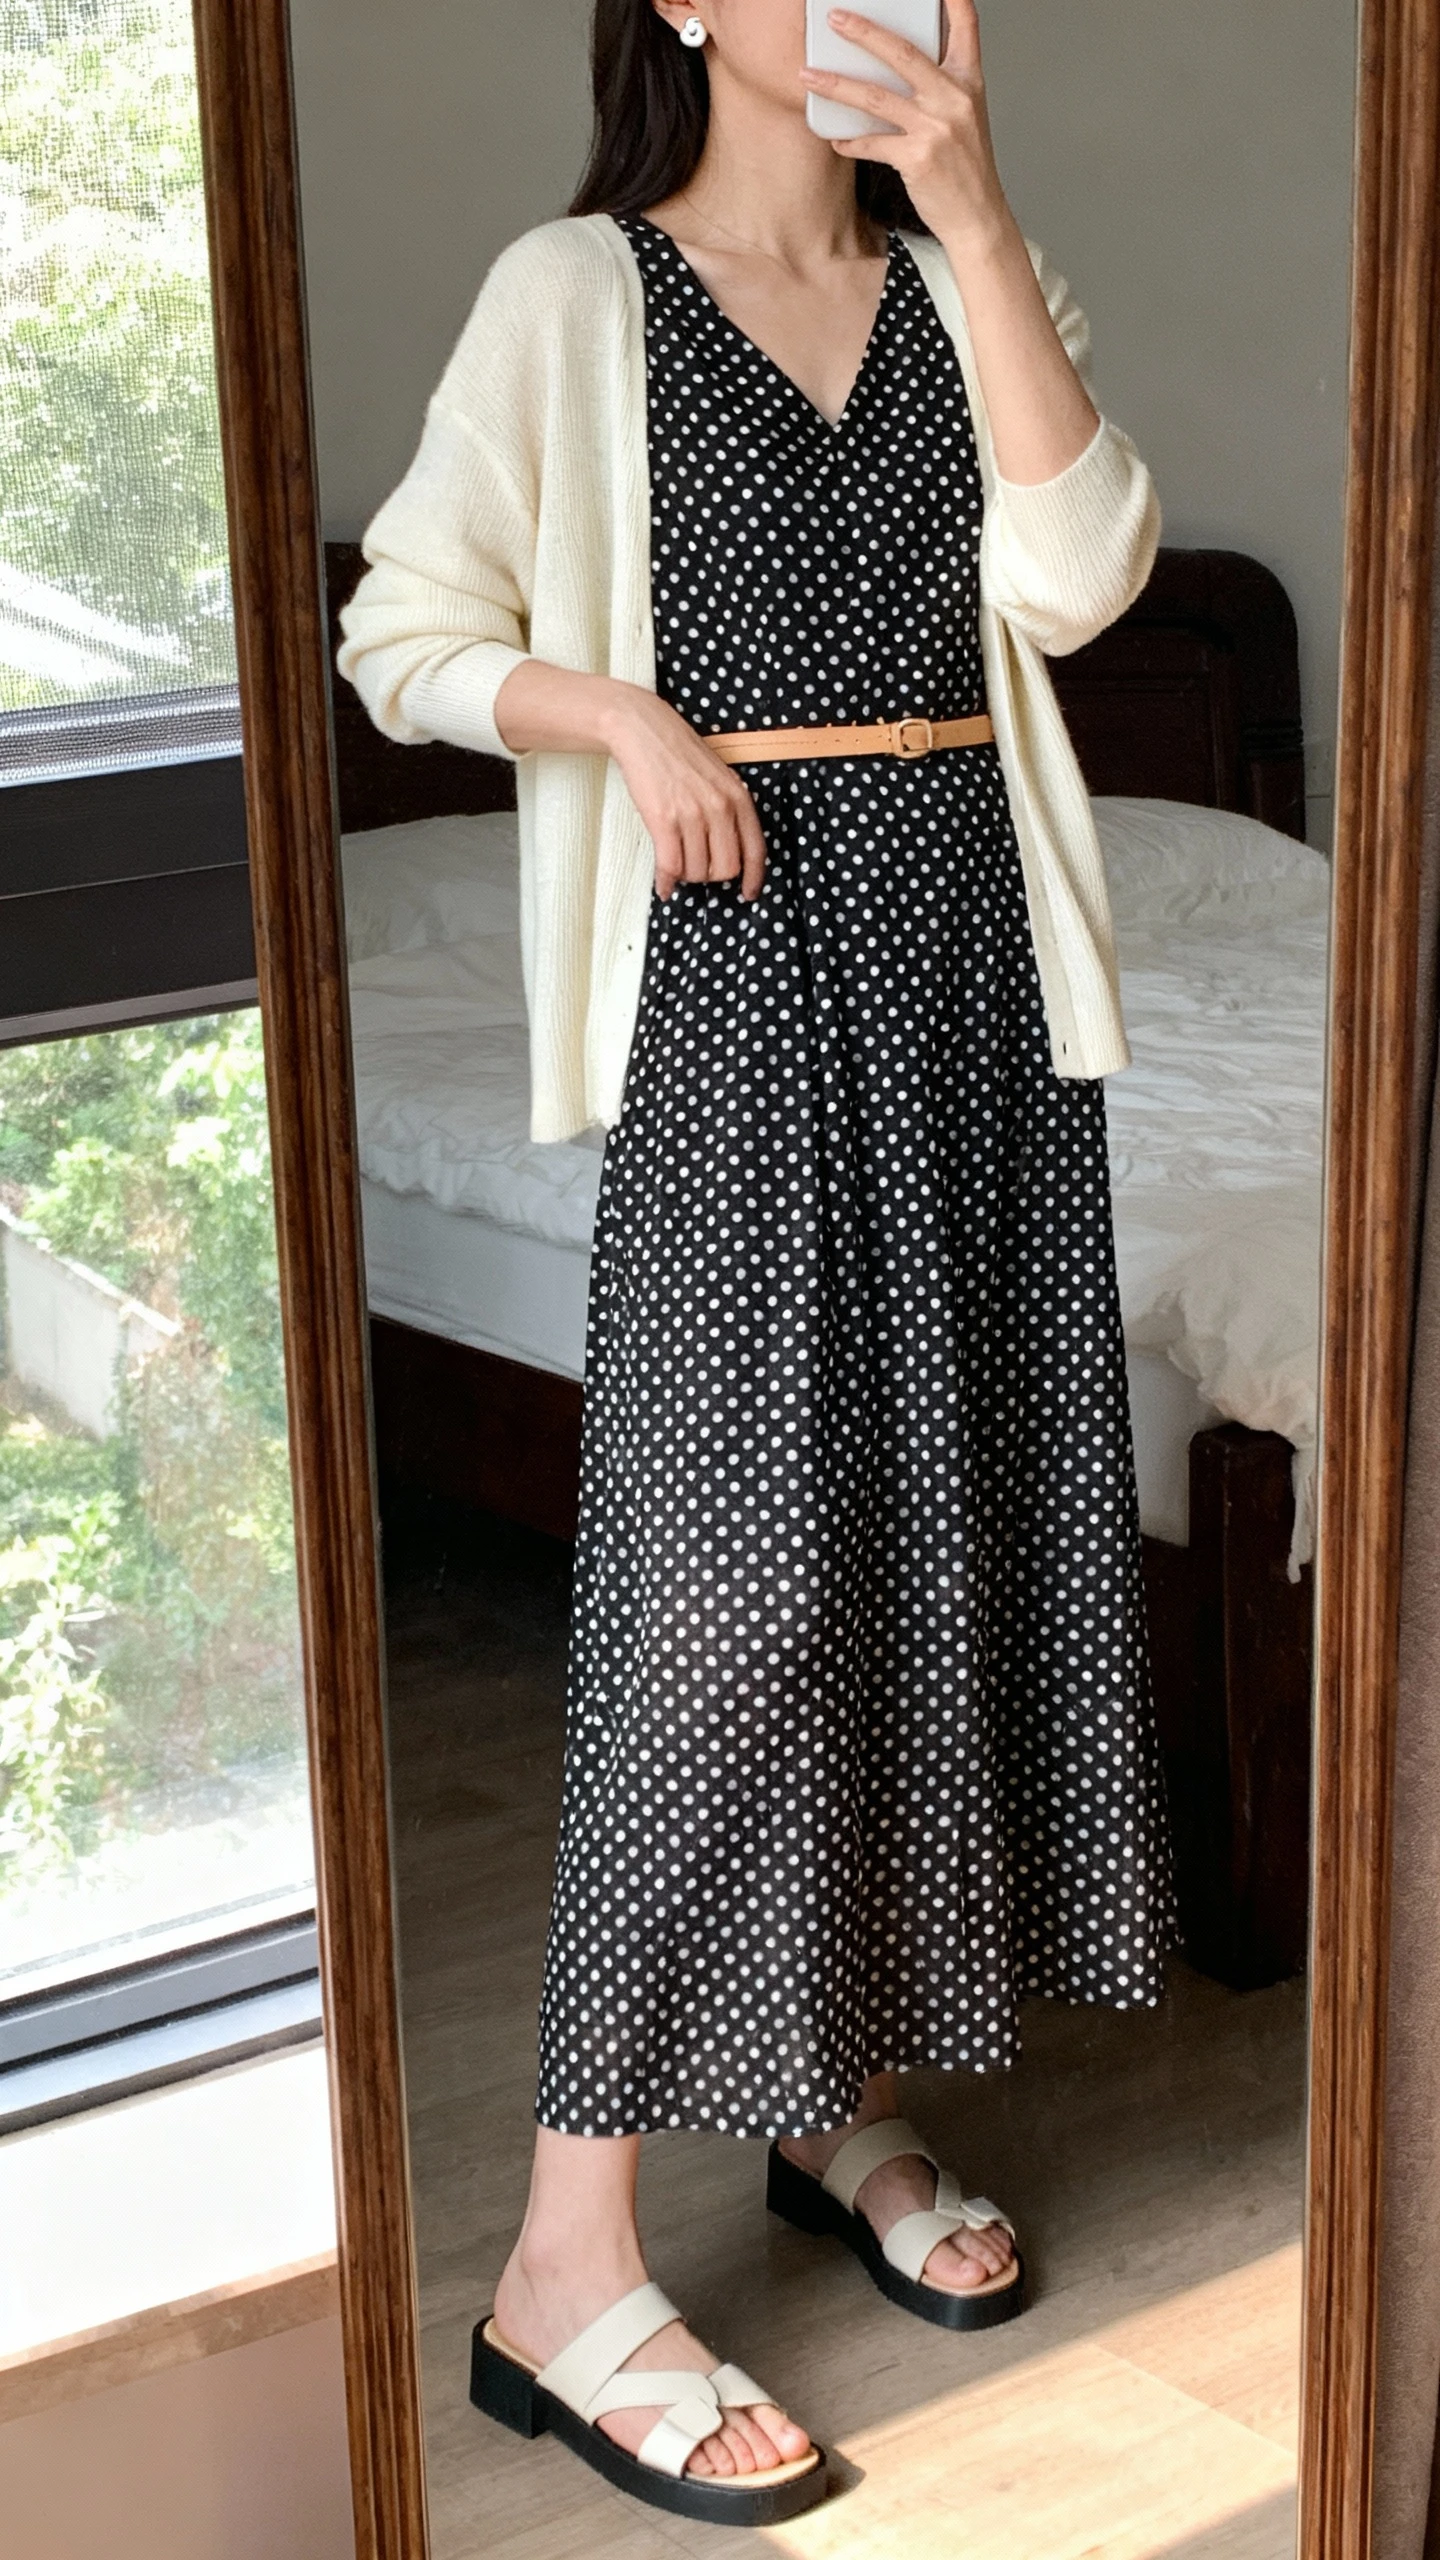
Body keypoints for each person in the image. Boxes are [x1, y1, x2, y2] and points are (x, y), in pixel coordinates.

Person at [340, 0, 1175, 2526]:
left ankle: (844, 2093)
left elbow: (1085, 575)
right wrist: (611, 709)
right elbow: (401, 622)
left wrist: (987, 220)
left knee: (940, 1546)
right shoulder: (571, 296)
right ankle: (562, 2260)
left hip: (979, 991)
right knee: (723, 1590)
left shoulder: (966, 280)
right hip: (739, 971)